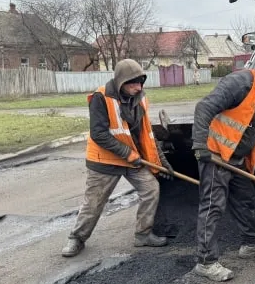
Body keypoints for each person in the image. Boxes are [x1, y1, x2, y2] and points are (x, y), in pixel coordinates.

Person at [190, 54, 255, 282]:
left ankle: (250, 245)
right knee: (213, 206)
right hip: (215, 154)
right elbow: (203, 108)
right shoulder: (239, 84)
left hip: (237, 158)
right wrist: (200, 145)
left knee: (245, 198)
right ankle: (206, 262)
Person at [62, 58, 173, 257]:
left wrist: (163, 162)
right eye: (134, 83)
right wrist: (127, 154)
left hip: (132, 159)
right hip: (104, 160)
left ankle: (143, 234)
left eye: (141, 83)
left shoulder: (140, 100)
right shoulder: (101, 97)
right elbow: (99, 134)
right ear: (122, 82)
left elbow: (147, 134)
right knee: (94, 202)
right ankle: (77, 238)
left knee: (151, 189)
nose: (138, 87)